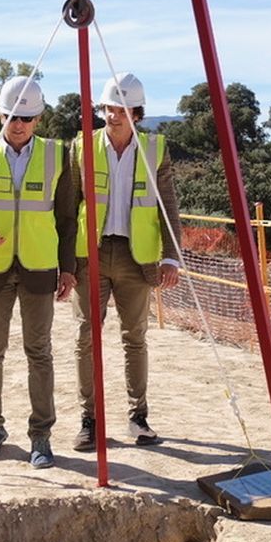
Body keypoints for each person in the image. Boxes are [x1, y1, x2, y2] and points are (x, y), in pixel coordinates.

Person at [0, 75, 77, 469]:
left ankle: (41, 435)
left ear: (38, 118)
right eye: (10, 116)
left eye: (26, 117)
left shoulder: (59, 155)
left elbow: (68, 216)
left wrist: (68, 269)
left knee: (39, 353)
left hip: (41, 269)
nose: (17, 124)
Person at [69, 73, 181, 451]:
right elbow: (69, 207)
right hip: (91, 256)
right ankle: (90, 420)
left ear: (137, 112)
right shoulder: (81, 147)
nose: (114, 116)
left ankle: (138, 417)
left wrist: (171, 255)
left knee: (135, 338)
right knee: (87, 338)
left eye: (122, 110)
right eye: (108, 108)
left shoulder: (155, 149)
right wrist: (66, 261)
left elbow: (168, 204)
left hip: (138, 258)